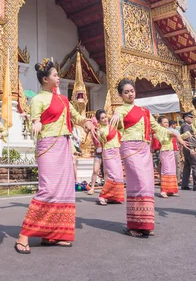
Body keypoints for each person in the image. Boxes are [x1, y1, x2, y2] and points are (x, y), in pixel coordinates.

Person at [15, 59, 95, 253]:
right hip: (48, 146)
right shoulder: (37, 100)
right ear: (45, 79)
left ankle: (52, 234)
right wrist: (35, 124)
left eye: (58, 75)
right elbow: (35, 120)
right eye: (55, 75)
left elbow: (76, 117)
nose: (58, 78)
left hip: (64, 145)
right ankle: (23, 235)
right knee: (49, 189)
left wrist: (87, 122)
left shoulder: (64, 100)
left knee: (64, 190)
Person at [109, 79, 184, 237]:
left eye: (132, 91)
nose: (130, 94)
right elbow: (117, 115)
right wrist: (115, 115)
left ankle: (143, 223)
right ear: (120, 95)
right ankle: (135, 223)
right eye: (126, 92)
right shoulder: (121, 110)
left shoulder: (145, 111)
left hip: (145, 150)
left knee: (146, 185)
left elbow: (157, 129)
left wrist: (175, 134)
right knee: (140, 183)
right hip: (130, 149)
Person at [154, 116, 189, 198]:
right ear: (160, 123)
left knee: (172, 171)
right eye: (164, 122)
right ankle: (163, 191)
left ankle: (171, 190)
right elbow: (175, 135)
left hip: (170, 151)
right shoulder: (162, 131)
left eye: (167, 122)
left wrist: (184, 137)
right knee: (165, 171)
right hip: (165, 151)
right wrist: (182, 142)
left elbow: (176, 136)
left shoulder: (166, 131)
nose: (166, 124)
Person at [95, 109, 124, 206]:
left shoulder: (112, 126)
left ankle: (113, 197)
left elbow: (121, 129)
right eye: (102, 118)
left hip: (116, 151)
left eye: (105, 117)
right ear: (99, 121)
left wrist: (117, 115)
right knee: (113, 175)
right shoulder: (99, 131)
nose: (105, 119)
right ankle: (102, 196)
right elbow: (101, 141)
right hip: (108, 152)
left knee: (119, 175)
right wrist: (102, 135)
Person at [180, 111, 196, 192]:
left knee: (187, 166)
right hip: (189, 147)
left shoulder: (186, 126)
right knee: (195, 165)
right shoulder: (186, 126)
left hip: (187, 148)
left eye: (192, 117)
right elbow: (187, 138)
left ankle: (185, 184)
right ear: (185, 118)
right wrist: (191, 148)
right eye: (190, 117)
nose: (191, 119)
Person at [87, 116, 103, 196]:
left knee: (106, 172)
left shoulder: (106, 128)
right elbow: (87, 126)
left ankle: (105, 189)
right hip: (98, 151)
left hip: (106, 151)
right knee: (95, 170)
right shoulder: (93, 129)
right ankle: (92, 187)